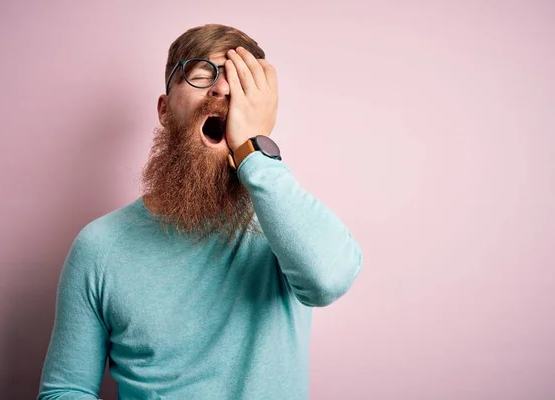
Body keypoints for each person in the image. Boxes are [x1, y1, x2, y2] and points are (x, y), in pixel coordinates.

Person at [37, 23, 363, 400]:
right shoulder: (99, 247)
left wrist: (256, 150)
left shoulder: (283, 225)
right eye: (201, 75)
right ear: (164, 110)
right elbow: (65, 390)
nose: (222, 88)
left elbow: (329, 280)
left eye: (240, 84)